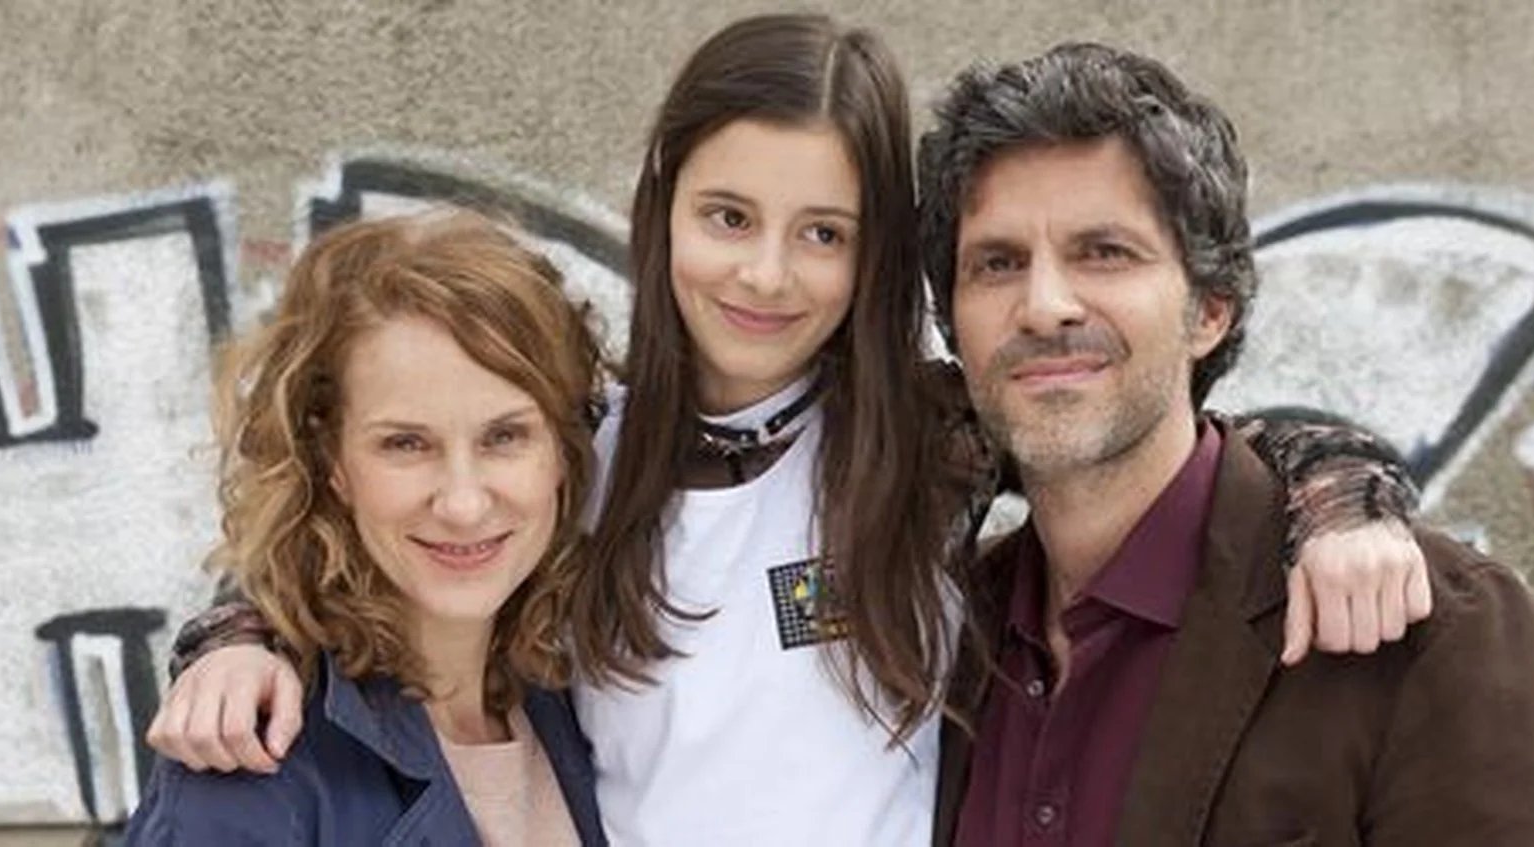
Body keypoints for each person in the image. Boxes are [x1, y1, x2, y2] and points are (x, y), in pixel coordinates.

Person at [146, 15, 1437, 847]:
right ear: (660, 207)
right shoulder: (580, 452)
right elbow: (380, 534)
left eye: (822, 232)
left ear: (873, 254)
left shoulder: (926, 441)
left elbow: (1189, 436)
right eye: (727, 217)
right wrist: (240, 633)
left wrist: (1342, 505)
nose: (766, 273)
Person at [918, 43, 1534, 846]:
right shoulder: (930, 642)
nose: (1044, 305)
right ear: (953, 323)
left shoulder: (1426, 632)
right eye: (997, 263)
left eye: (1104, 253)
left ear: (1210, 310)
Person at [124, 213, 609, 846]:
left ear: (563, 451)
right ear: (332, 461)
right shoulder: (248, 761)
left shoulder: (578, 695)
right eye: (406, 443)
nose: (463, 503)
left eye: (505, 436)